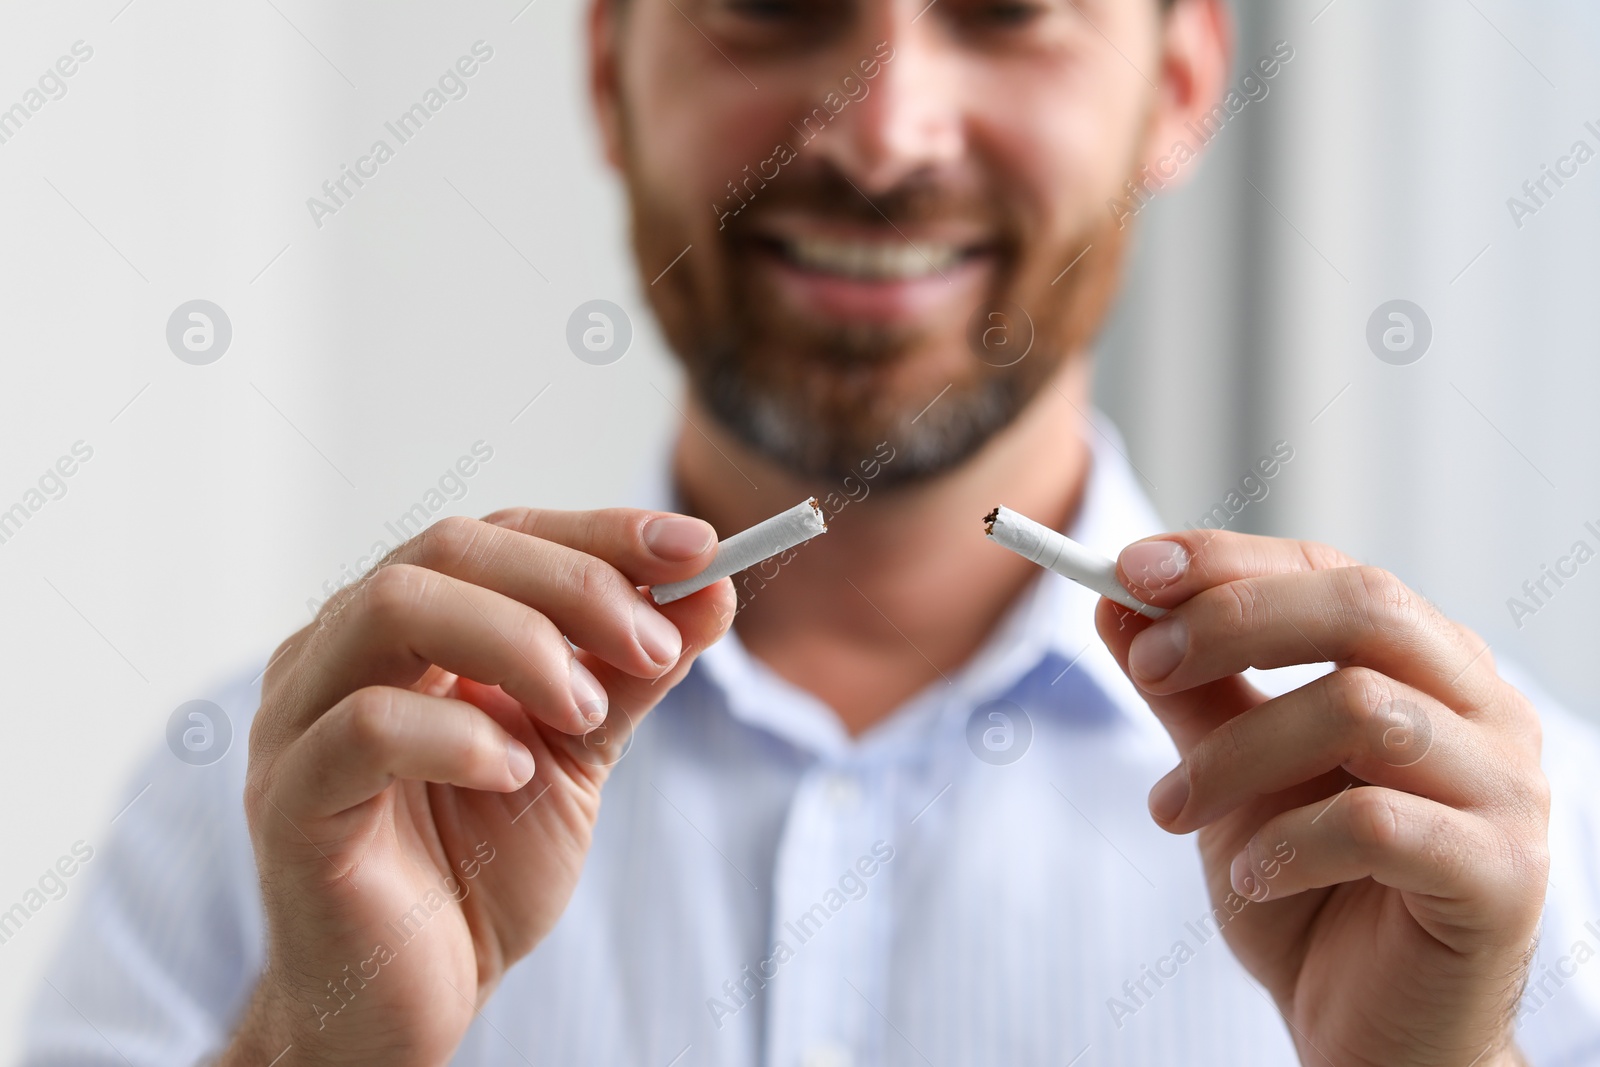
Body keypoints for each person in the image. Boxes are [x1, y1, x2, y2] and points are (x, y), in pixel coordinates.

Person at [22, 0, 1600, 1063]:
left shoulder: (1505, 854)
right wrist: (319, 1038)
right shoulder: (266, 813)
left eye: (1004, 7)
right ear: (608, 70)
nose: (879, 131)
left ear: (1181, 82)